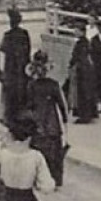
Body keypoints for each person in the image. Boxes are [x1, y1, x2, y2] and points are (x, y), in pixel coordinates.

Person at [25, 50, 69, 186]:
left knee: (37, 149)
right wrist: (65, 120)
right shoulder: (53, 84)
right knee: (54, 151)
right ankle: (55, 179)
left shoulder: (32, 85)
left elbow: (29, 104)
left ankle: (37, 178)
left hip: (37, 119)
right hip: (51, 120)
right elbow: (62, 105)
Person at [0, 8, 32, 123]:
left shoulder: (7, 35)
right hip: (22, 66)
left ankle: (9, 115)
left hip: (11, 67)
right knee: (22, 88)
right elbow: (28, 49)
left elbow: (3, 50)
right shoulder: (24, 34)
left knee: (10, 91)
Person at [68, 19, 100, 124]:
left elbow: (78, 57)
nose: (74, 32)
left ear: (81, 31)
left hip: (82, 70)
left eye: (76, 30)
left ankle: (84, 115)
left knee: (83, 93)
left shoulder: (81, 43)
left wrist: (73, 64)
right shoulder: (85, 42)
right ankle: (89, 113)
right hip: (86, 69)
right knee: (87, 92)